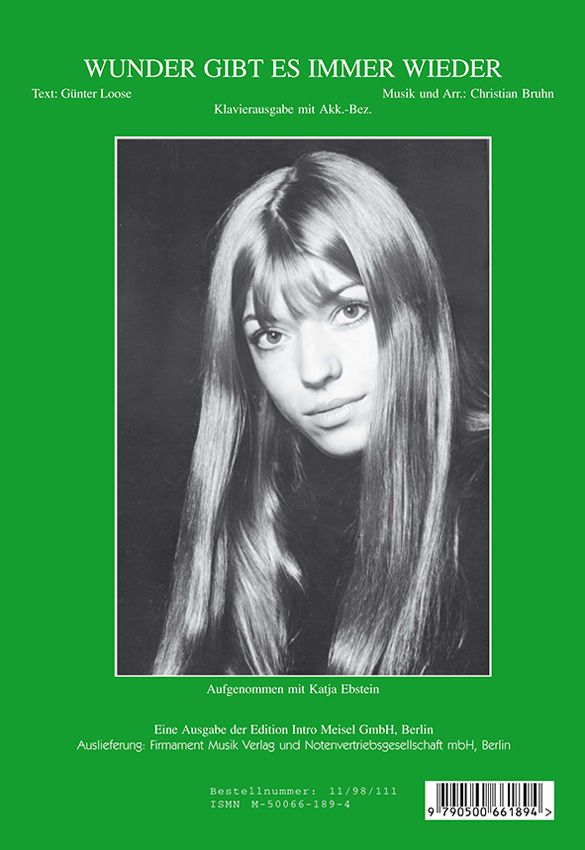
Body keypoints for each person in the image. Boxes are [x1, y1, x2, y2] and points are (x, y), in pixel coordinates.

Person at [153, 150, 489, 676]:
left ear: (414, 304)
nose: (314, 370)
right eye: (271, 335)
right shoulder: (257, 514)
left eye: (349, 311)